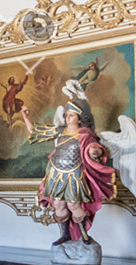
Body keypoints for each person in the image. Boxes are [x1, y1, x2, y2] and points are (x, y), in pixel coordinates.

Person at [23, 96, 117, 244]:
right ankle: (65, 235)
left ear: (80, 119)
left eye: (71, 115)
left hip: (74, 174)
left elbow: (95, 148)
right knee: (58, 204)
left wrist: (94, 152)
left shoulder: (85, 134)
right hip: (56, 173)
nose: (68, 118)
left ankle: (84, 235)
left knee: (74, 205)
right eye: (66, 115)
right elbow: (35, 132)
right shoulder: (60, 131)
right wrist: (26, 117)